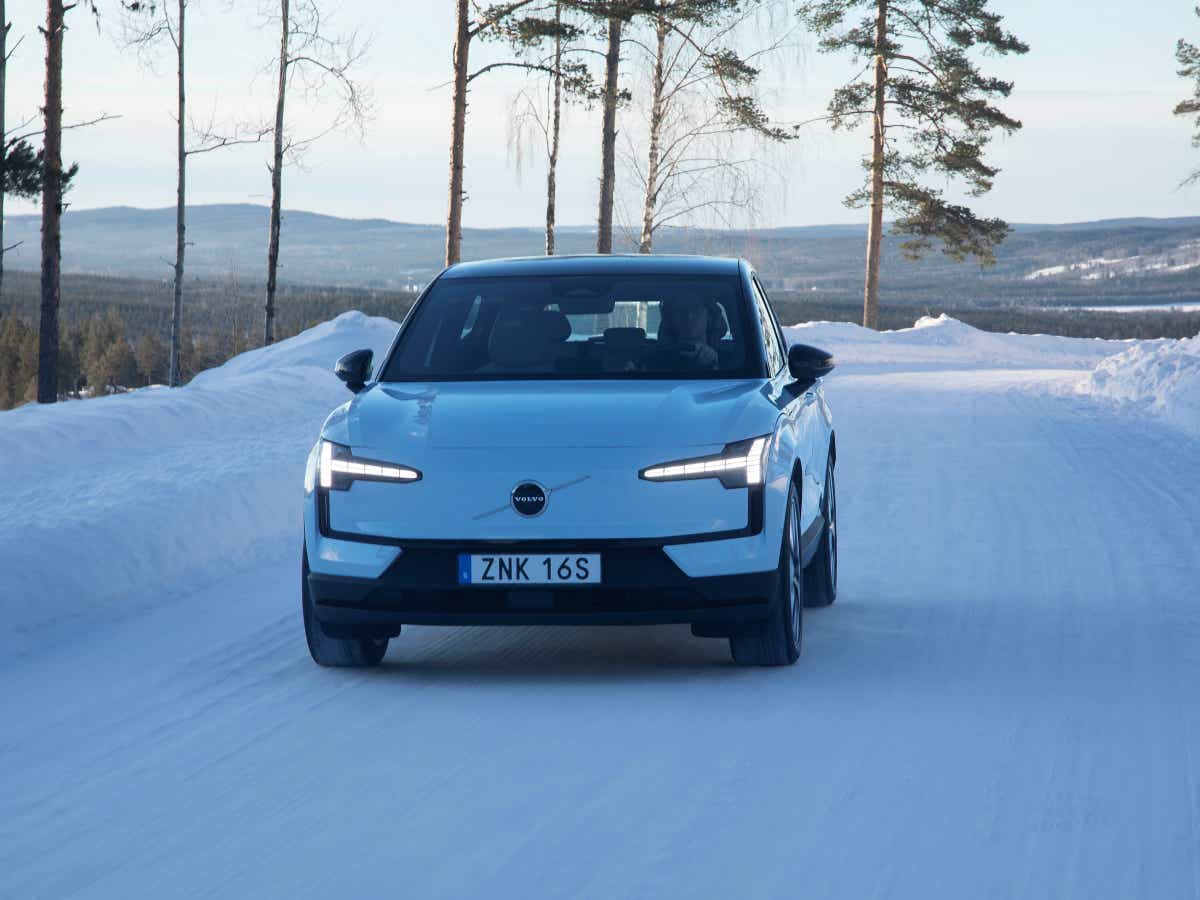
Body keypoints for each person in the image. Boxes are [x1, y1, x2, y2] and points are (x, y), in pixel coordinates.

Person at [644, 296, 722, 371]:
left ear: (709, 317)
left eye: (696, 309)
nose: (689, 316)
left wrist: (714, 365)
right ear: (670, 319)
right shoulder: (653, 361)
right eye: (681, 310)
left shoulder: (729, 360)